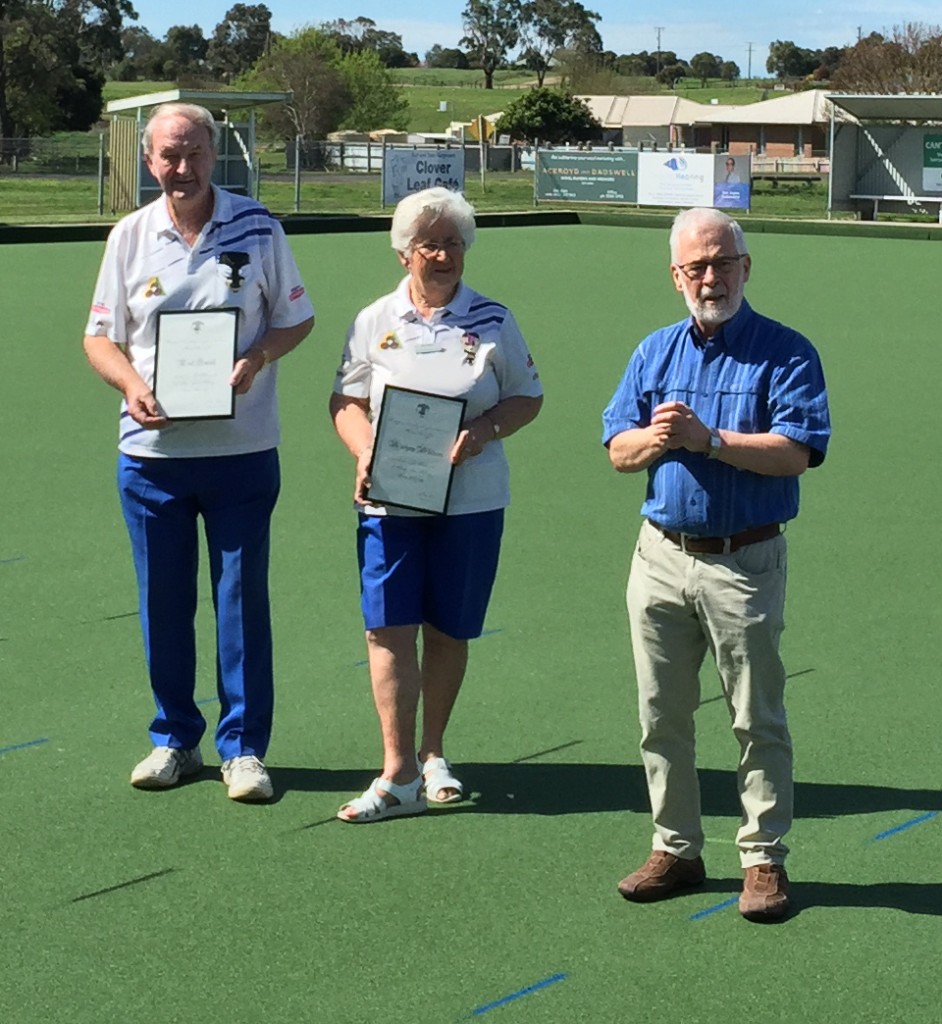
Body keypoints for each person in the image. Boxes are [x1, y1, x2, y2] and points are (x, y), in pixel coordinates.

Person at [601, 207, 830, 921]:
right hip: (661, 556)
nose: (711, 277)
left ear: (746, 267)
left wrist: (710, 440)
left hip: (745, 559)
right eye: (696, 267)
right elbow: (617, 450)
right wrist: (654, 440)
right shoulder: (653, 352)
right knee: (660, 713)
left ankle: (763, 860)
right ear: (675, 276)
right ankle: (676, 848)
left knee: (755, 714)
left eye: (722, 262)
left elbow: (797, 450)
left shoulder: (786, 352)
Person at [83, 102, 315, 802]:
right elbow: (100, 336)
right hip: (151, 456)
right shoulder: (129, 235)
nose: (181, 169)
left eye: (194, 154)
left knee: (240, 599)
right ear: (149, 161)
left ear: (216, 155)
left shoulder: (258, 226)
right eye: (168, 156)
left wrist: (256, 360)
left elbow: (295, 318)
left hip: (241, 452)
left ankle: (243, 750)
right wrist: (129, 384)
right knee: (163, 600)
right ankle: (174, 739)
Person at [329, 187, 543, 823]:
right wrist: (364, 452)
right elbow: (346, 401)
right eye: (430, 244)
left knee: (448, 627)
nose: (443, 254)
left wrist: (484, 432)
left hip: (472, 502)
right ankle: (395, 773)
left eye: (453, 243)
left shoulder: (495, 319)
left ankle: (433, 756)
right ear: (404, 254)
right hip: (391, 502)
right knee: (388, 626)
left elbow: (527, 397)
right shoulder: (374, 320)